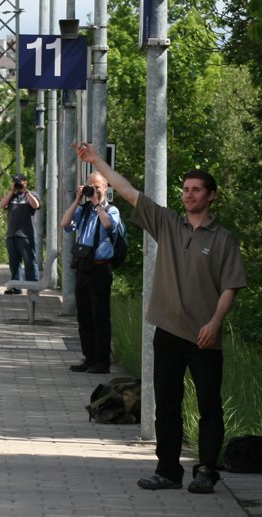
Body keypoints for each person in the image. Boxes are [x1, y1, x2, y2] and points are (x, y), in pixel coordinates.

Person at [74, 142, 246, 495]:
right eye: (185, 190)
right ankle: (167, 470)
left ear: (211, 196)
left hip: (203, 335)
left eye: (196, 190)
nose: (189, 195)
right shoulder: (168, 224)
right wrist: (97, 161)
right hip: (167, 331)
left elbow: (230, 287)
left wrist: (214, 325)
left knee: (209, 406)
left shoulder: (224, 240)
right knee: (166, 405)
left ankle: (206, 471)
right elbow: (128, 191)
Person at [61, 171, 121, 374]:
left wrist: (97, 204)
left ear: (105, 188)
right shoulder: (84, 210)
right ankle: (89, 357)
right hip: (83, 267)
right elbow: (65, 223)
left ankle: (102, 362)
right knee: (84, 316)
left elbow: (108, 225)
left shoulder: (111, 210)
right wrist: (78, 199)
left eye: (97, 187)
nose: (93, 190)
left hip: (100, 268)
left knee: (100, 317)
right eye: (90, 186)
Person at [0, 173, 42, 294]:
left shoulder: (32, 194)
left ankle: (33, 287)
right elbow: (2, 205)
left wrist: (25, 191)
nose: (18, 184)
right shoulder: (12, 196)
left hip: (26, 235)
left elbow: (36, 205)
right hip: (12, 234)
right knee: (14, 262)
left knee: (29, 262)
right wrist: (12, 191)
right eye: (15, 181)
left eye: (20, 181)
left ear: (26, 182)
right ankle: (16, 287)